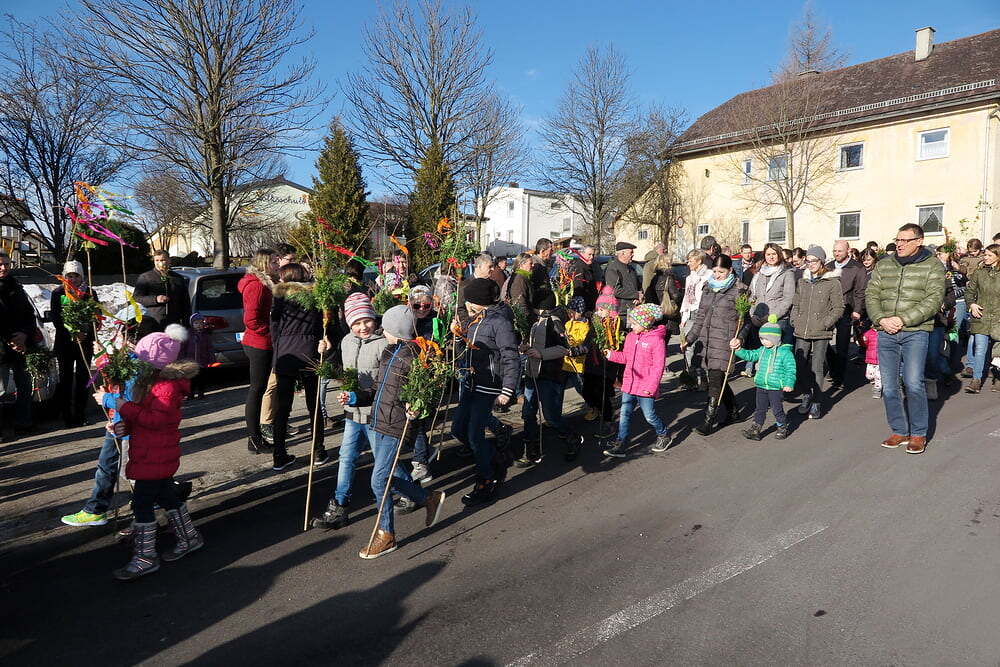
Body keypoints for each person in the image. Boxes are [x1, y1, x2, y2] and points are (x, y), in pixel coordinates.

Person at [339, 305, 447, 559]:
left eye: (385, 328)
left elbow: (429, 392)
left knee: (379, 480)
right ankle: (427, 497)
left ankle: (386, 534)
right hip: (378, 420)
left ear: (395, 330)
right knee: (384, 478)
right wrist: (355, 397)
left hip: (397, 425)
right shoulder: (389, 352)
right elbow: (377, 389)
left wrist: (417, 406)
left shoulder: (417, 357)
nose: (381, 331)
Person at [96, 325, 202, 580]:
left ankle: (145, 556)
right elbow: (143, 417)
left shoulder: (165, 387)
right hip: (152, 452)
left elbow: (155, 420)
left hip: (155, 454)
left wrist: (116, 403)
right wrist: (123, 425)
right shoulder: (153, 383)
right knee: (166, 496)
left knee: (143, 503)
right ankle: (189, 537)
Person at [865, 223, 946, 454]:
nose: (899, 244)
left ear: (919, 241)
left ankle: (918, 433)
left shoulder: (933, 265)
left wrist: (902, 319)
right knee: (889, 387)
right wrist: (881, 319)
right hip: (885, 331)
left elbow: (933, 300)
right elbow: (872, 294)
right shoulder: (884, 264)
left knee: (912, 383)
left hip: (915, 332)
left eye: (905, 240)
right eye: (897, 240)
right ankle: (899, 430)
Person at [311, 293, 388, 530]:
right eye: (356, 322)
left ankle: (412, 493)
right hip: (352, 412)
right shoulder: (346, 341)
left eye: (367, 320)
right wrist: (327, 353)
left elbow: (385, 384)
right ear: (349, 323)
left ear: (374, 319)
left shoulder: (383, 343)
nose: (363, 327)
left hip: (375, 413)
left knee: (383, 462)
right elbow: (341, 371)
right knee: (346, 457)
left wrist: (359, 396)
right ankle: (340, 505)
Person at [452, 278, 519, 504]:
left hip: (488, 386)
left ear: (477, 302)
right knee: (458, 429)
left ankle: (486, 480)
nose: (466, 304)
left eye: (468, 301)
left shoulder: (500, 322)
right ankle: (494, 457)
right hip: (470, 383)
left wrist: (507, 389)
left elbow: (510, 356)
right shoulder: (474, 321)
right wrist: (457, 337)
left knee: (474, 435)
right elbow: (465, 351)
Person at [681, 254, 749, 435]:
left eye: (721, 272)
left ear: (730, 270)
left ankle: (708, 420)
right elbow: (700, 317)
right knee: (716, 379)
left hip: (725, 341)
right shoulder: (708, 287)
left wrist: (740, 338)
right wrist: (689, 338)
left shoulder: (740, 290)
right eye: (715, 271)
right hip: (707, 339)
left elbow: (745, 322)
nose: (717, 275)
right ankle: (733, 410)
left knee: (715, 378)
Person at [269, 263, 327, 472]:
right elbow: (320, 325)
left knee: (283, 406)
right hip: (309, 350)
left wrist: (279, 348)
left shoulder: (280, 297)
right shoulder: (313, 296)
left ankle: (279, 454)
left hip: (286, 353)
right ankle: (318, 450)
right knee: (313, 404)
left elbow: (274, 327)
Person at [518, 292, 584, 465]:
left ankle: (572, 438)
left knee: (551, 416)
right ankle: (530, 450)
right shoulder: (535, 321)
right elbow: (534, 343)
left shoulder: (554, 322)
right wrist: (525, 347)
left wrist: (541, 354)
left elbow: (563, 348)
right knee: (528, 413)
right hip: (532, 373)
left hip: (548, 375)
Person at [602, 303, 670, 458]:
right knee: (624, 414)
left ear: (645, 323)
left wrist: (651, 387)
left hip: (646, 387)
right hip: (629, 384)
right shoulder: (631, 337)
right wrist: (611, 355)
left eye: (634, 323)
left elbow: (658, 367)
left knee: (649, 415)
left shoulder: (656, 340)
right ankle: (621, 443)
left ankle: (663, 434)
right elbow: (626, 357)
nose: (631, 326)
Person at [790, 246, 844, 420]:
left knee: (817, 367)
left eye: (814, 261)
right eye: (808, 261)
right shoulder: (803, 281)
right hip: (802, 329)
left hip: (821, 331)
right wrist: (794, 320)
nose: (811, 264)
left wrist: (826, 323)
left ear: (822, 261)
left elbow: (838, 308)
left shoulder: (832, 282)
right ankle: (807, 393)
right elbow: (796, 303)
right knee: (799, 365)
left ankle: (816, 401)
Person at [238, 248, 278, 454]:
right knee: (257, 390)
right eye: (274, 262)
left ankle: (256, 437)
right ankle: (254, 438)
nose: (277, 264)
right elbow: (251, 320)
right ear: (264, 263)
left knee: (259, 390)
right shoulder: (257, 286)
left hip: (261, 341)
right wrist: (270, 334)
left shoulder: (265, 283)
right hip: (259, 343)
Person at [733, 315, 797, 441]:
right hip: (761, 385)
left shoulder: (785, 353)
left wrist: (789, 383)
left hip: (775, 387)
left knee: (777, 409)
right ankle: (755, 429)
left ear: (775, 338)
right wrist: (739, 350)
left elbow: (791, 370)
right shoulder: (762, 350)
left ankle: (782, 426)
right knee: (760, 409)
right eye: (761, 338)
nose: (763, 341)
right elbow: (750, 355)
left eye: (766, 339)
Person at [50, 260, 96, 427]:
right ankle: (67, 415)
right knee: (66, 378)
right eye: (70, 276)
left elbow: (95, 314)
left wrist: (85, 331)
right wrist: (73, 332)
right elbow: (56, 318)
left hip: (84, 342)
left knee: (83, 378)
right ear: (65, 276)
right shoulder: (58, 293)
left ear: (82, 276)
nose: (73, 279)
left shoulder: (89, 292)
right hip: (65, 342)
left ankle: (80, 413)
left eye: (76, 276)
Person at [0, 250, 37, 437]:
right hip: (1, 348)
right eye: (0, 264)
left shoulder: (16, 287)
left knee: (25, 386)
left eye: (6, 264)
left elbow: (29, 315)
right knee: (0, 390)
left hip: (21, 345)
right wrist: (10, 339)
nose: (3, 268)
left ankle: (24, 423)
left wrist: (23, 334)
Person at [746, 243, 796, 376]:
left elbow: (788, 299)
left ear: (779, 255)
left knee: (777, 357)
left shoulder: (786, 273)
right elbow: (752, 296)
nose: (771, 257)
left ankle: (779, 382)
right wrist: (752, 313)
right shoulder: (759, 273)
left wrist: (774, 315)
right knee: (762, 356)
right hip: (759, 320)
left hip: (778, 320)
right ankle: (764, 381)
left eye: (774, 254)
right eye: (768, 254)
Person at [826, 240, 867, 389]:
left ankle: (839, 377)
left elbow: (860, 291)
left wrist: (857, 310)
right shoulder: (828, 266)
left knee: (842, 345)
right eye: (834, 251)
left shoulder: (857, 268)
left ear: (848, 251)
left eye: (840, 251)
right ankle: (833, 365)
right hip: (828, 309)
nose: (836, 254)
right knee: (822, 341)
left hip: (846, 309)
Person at [964, 243, 1000, 393]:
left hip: (998, 318)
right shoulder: (979, 273)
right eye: (985, 254)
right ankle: (976, 380)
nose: (985, 257)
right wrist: (972, 304)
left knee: (998, 352)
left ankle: (998, 378)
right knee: (980, 349)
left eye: (989, 255)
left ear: (998, 257)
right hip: (981, 316)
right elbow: (969, 292)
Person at [582, 290, 620, 424]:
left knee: (601, 394)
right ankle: (596, 408)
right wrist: (579, 349)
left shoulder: (615, 326)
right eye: (597, 309)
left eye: (602, 309)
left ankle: (608, 420)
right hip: (591, 364)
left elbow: (617, 347)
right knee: (586, 391)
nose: (598, 312)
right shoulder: (596, 323)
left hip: (605, 366)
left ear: (610, 310)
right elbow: (587, 341)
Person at [132, 250, 191, 337]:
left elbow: (186, 302)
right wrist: (155, 299)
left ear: (169, 260)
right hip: (154, 322)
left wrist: (186, 324)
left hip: (174, 323)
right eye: (157, 260)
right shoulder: (146, 277)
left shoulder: (178, 278)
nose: (160, 263)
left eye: (163, 260)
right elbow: (136, 298)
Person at [679, 250, 712, 390]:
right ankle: (690, 379)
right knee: (687, 346)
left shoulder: (709, 275)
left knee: (701, 347)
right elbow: (687, 298)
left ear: (699, 261)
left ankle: (703, 379)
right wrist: (684, 317)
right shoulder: (689, 278)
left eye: (691, 261)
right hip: (691, 314)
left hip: (703, 313)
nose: (688, 263)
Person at [604, 241, 641, 314]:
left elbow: (637, 286)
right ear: (623, 253)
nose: (633, 255)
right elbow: (615, 290)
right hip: (620, 310)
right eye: (631, 252)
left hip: (632, 308)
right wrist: (636, 295)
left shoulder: (631, 268)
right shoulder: (613, 268)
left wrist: (638, 297)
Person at [183, 313, 215, 399]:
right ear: (192, 324)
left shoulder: (206, 335)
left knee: (201, 378)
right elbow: (183, 347)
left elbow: (209, 348)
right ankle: (190, 394)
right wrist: (182, 359)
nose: (198, 325)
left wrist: (211, 359)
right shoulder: (188, 334)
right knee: (191, 379)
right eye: (196, 323)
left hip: (202, 361)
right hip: (190, 361)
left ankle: (201, 392)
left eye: (201, 323)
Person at [862, 324, 881, 398]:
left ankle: (877, 389)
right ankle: (873, 380)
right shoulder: (869, 333)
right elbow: (864, 343)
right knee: (869, 376)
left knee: (878, 376)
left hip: (880, 359)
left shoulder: (883, 333)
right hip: (870, 358)